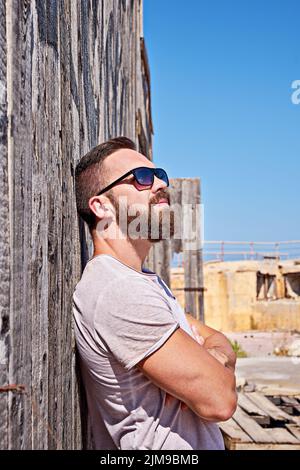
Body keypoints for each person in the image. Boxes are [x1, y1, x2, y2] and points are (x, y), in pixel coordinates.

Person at [73, 136, 237, 450]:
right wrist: (210, 363)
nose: (160, 183)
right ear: (101, 206)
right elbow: (220, 400)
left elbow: (219, 339)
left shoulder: (145, 281)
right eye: (142, 178)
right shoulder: (118, 290)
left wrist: (214, 357)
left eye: (159, 174)